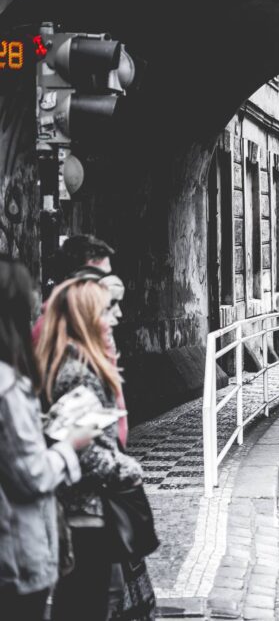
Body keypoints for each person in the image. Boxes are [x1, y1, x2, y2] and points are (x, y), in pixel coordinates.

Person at [37, 277, 145, 621]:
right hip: (85, 511)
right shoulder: (77, 372)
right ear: (86, 317)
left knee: (94, 602)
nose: (118, 316)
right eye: (108, 309)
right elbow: (84, 449)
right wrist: (127, 469)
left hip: (88, 509)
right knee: (87, 604)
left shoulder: (80, 364)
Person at [0, 258, 96, 620]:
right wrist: (69, 444)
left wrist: (39, 424)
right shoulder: (7, 386)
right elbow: (32, 475)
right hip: (15, 553)